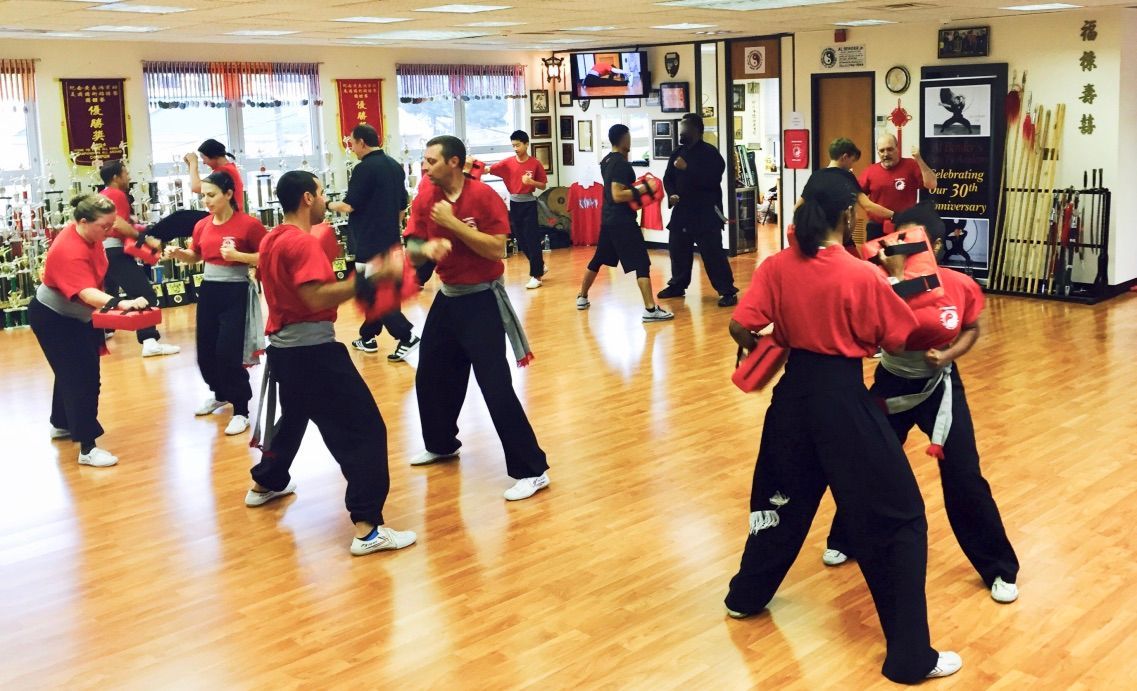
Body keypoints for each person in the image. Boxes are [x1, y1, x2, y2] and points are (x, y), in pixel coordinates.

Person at [723, 173, 961, 683]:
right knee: (899, 518)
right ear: (848, 212)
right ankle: (910, 658)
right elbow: (897, 341)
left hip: (792, 399)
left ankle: (745, 597)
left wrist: (762, 346)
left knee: (780, 502)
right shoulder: (861, 275)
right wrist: (908, 287)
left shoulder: (776, 266)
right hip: (843, 401)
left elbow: (740, 323)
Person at [822, 207, 1018, 604]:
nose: (904, 249)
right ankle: (846, 537)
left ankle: (998, 566)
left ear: (938, 245)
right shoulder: (881, 283)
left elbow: (972, 328)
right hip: (893, 380)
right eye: (900, 240)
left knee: (964, 476)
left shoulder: (959, 284)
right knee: (866, 465)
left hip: (941, 386)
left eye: (914, 242)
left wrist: (948, 356)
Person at [246, 170, 416, 556]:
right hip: (314, 353)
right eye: (322, 193)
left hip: (286, 352)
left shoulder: (272, 238)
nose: (326, 201)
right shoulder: (303, 244)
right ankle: (368, 529)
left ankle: (266, 482)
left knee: (293, 418)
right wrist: (372, 280)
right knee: (367, 431)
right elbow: (316, 298)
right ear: (308, 198)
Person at [404, 135, 550, 502]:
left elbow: (497, 247)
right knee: (431, 374)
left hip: (482, 300)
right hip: (448, 297)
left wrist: (454, 226)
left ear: (454, 162)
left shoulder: (483, 197)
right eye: (424, 160)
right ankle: (441, 444)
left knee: (494, 386)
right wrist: (425, 248)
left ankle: (533, 470)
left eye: (432, 161)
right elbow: (411, 246)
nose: (425, 167)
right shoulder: (426, 197)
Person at [30, 194, 150, 467]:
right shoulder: (69, 249)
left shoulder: (90, 235)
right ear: (83, 222)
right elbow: (85, 292)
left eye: (112, 225)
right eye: (105, 227)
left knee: (70, 372)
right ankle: (87, 447)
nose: (110, 232)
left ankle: (61, 423)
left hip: (75, 317)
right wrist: (122, 303)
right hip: (55, 318)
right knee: (82, 379)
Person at [164, 171, 267, 437]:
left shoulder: (249, 225)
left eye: (211, 195)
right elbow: (196, 255)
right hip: (209, 291)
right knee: (205, 354)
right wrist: (179, 254)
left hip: (236, 291)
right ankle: (221, 394)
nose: (206, 201)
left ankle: (242, 410)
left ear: (229, 194)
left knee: (228, 353)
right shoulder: (202, 225)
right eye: (203, 196)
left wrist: (238, 256)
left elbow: (266, 257)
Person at [327, 124, 420, 362]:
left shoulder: (364, 169)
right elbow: (402, 205)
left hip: (369, 243)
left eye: (352, 143)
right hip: (390, 240)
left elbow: (349, 206)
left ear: (362, 142)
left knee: (374, 292)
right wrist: (391, 226)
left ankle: (406, 335)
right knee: (376, 290)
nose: (352, 148)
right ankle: (368, 336)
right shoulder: (394, 166)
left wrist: (325, 205)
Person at [576, 124, 674, 322]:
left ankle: (582, 297)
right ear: (623, 140)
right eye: (629, 137)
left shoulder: (607, 160)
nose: (630, 141)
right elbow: (617, 194)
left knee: (599, 258)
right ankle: (650, 309)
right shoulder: (620, 164)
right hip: (622, 222)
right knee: (642, 262)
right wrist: (646, 188)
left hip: (609, 220)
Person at [99, 160, 180, 357]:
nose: (129, 176)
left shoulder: (102, 194)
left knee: (110, 294)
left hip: (103, 253)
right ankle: (150, 341)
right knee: (145, 295)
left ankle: (104, 332)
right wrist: (145, 239)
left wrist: (134, 225)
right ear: (116, 177)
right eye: (126, 173)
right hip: (114, 252)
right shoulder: (117, 194)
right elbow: (117, 225)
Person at [658, 113, 738, 307]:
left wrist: (688, 168)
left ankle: (727, 291)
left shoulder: (711, 154)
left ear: (697, 131)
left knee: (713, 254)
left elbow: (712, 180)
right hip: (682, 211)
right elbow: (667, 178)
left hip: (705, 212)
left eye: (685, 129)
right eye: (681, 129)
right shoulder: (677, 152)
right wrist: (672, 194)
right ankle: (678, 284)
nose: (682, 132)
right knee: (677, 250)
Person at [489, 130, 549, 289]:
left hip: (529, 204)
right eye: (513, 145)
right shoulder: (507, 162)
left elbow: (543, 184)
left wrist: (531, 182)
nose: (515, 148)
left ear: (527, 144)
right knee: (521, 240)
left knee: (532, 240)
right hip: (514, 204)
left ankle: (537, 276)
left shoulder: (535, 163)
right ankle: (540, 266)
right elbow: (489, 169)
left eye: (518, 145)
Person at [858, 134, 937, 241]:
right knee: (874, 258)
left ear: (897, 148)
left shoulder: (911, 165)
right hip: (876, 228)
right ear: (878, 152)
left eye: (890, 149)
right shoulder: (870, 171)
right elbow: (858, 195)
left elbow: (932, 184)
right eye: (882, 151)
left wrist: (919, 159)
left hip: (904, 226)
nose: (886, 154)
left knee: (903, 258)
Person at [796, 138, 895, 223]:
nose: (851, 165)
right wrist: (894, 215)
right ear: (845, 157)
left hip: (818, 236)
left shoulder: (815, 176)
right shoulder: (846, 177)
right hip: (839, 235)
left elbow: (797, 207)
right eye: (851, 161)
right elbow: (868, 205)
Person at [187, 139, 246, 212]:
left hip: (229, 218)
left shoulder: (224, 171)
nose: (204, 163)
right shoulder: (229, 168)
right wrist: (191, 166)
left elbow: (196, 187)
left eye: (204, 159)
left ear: (214, 156)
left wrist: (193, 163)